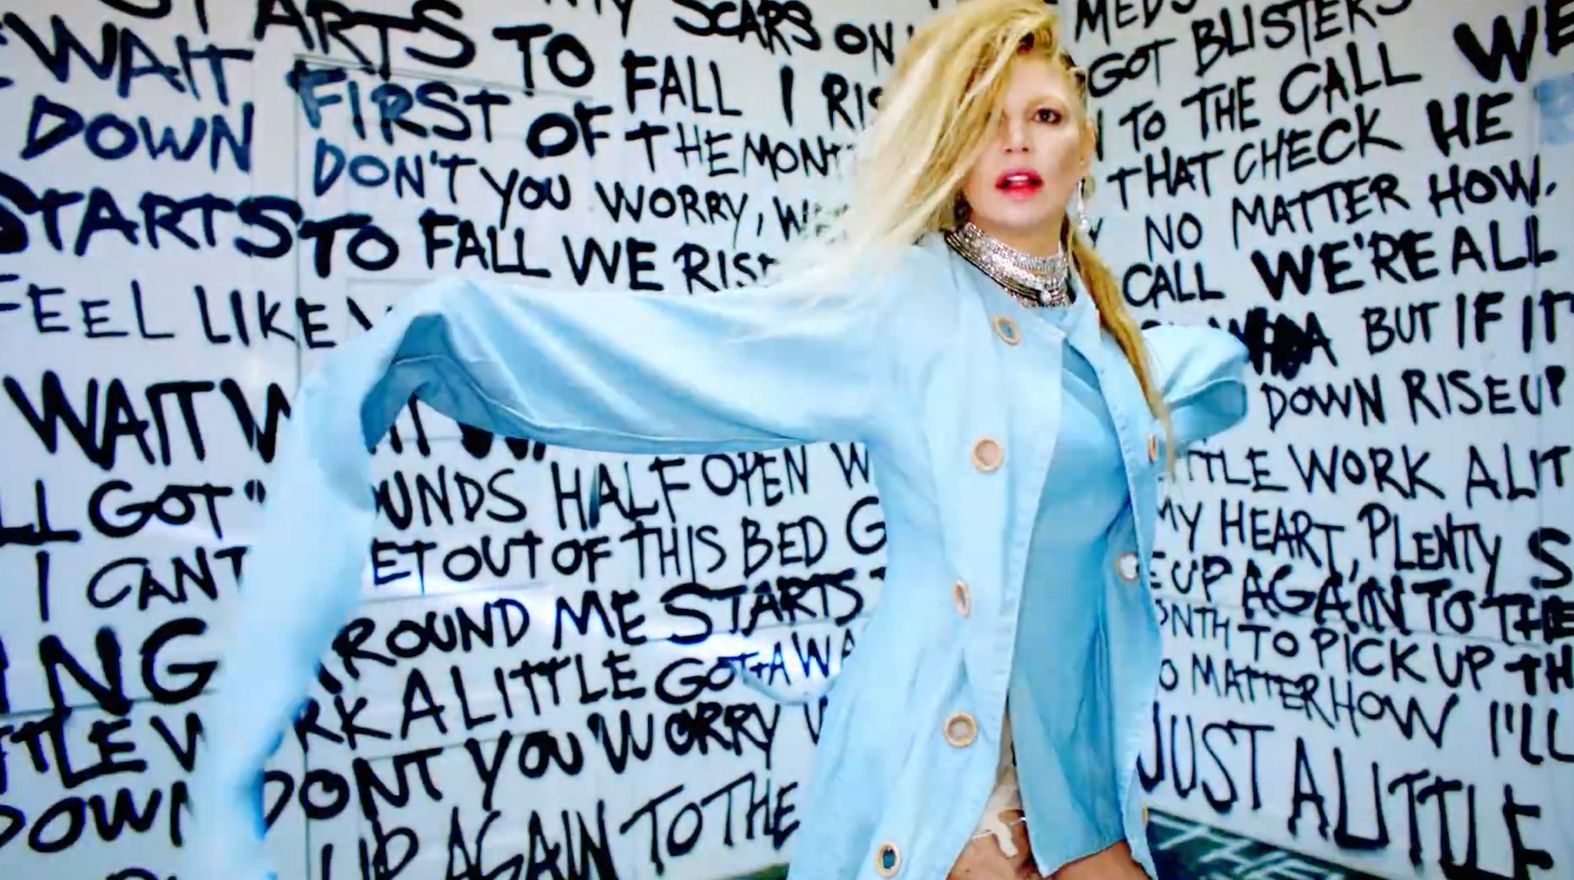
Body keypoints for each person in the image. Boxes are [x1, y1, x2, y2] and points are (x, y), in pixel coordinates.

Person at [189, 1, 1250, 879]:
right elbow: (687, 356)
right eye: (983, 118)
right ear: (948, 150)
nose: (1016, 140)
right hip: (933, 767)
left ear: (1085, 144)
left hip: (1076, 778)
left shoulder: (1113, 352)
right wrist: (442, 334)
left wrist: (1200, 378)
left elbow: (1166, 408)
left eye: (1045, 114)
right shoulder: (905, 309)